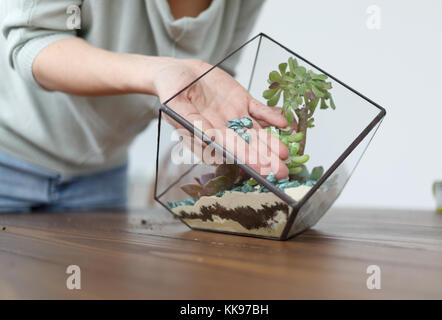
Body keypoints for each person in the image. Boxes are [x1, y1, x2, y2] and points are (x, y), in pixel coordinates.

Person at [0, 0, 289, 212]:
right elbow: (33, 39)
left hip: (101, 175)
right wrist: (156, 74)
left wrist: (192, 138)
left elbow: (213, 74)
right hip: (8, 160)